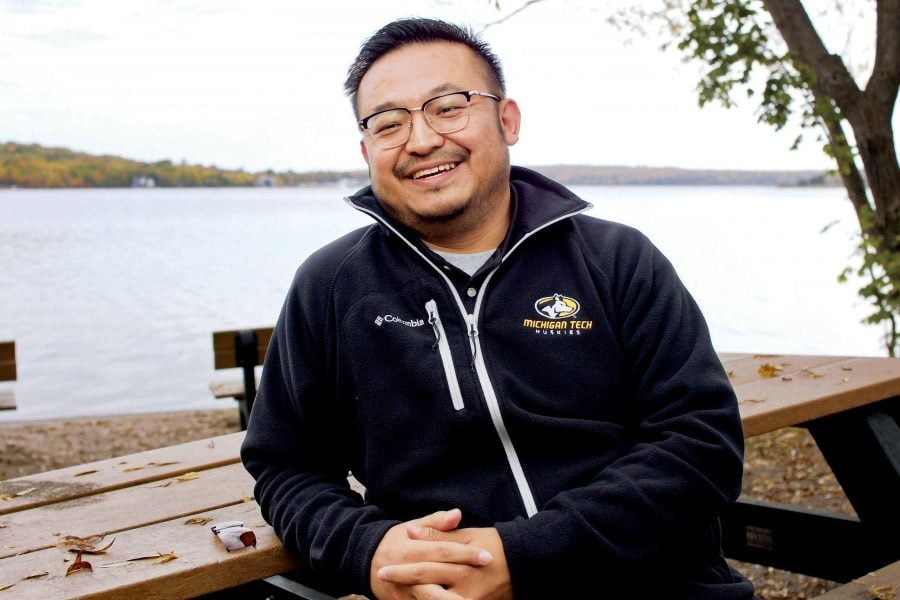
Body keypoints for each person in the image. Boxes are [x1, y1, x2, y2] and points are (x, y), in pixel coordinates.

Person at [241, 17, 754, 600]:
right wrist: (369, 551)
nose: (422, 140)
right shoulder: (331, 286)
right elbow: (285, 465)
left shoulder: (616, 260)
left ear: (507, 120)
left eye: (448, 106)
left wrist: (525, 557)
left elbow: (702, 444)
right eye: (389, 123)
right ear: (367, 150)